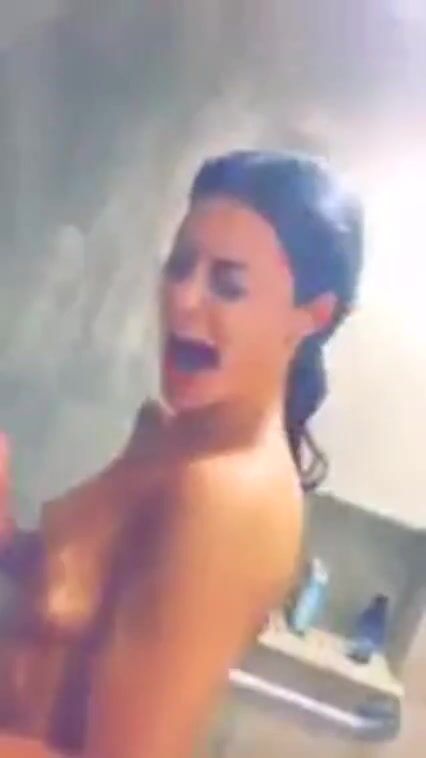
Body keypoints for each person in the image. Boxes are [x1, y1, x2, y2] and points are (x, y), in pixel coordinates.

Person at [0, 150, 362, 758]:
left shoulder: (227, 498)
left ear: (310, 315)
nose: (183, 300)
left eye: (228, 284)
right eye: (180, 266)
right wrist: (8, 538)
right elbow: (75, 599)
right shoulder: (169, 436)